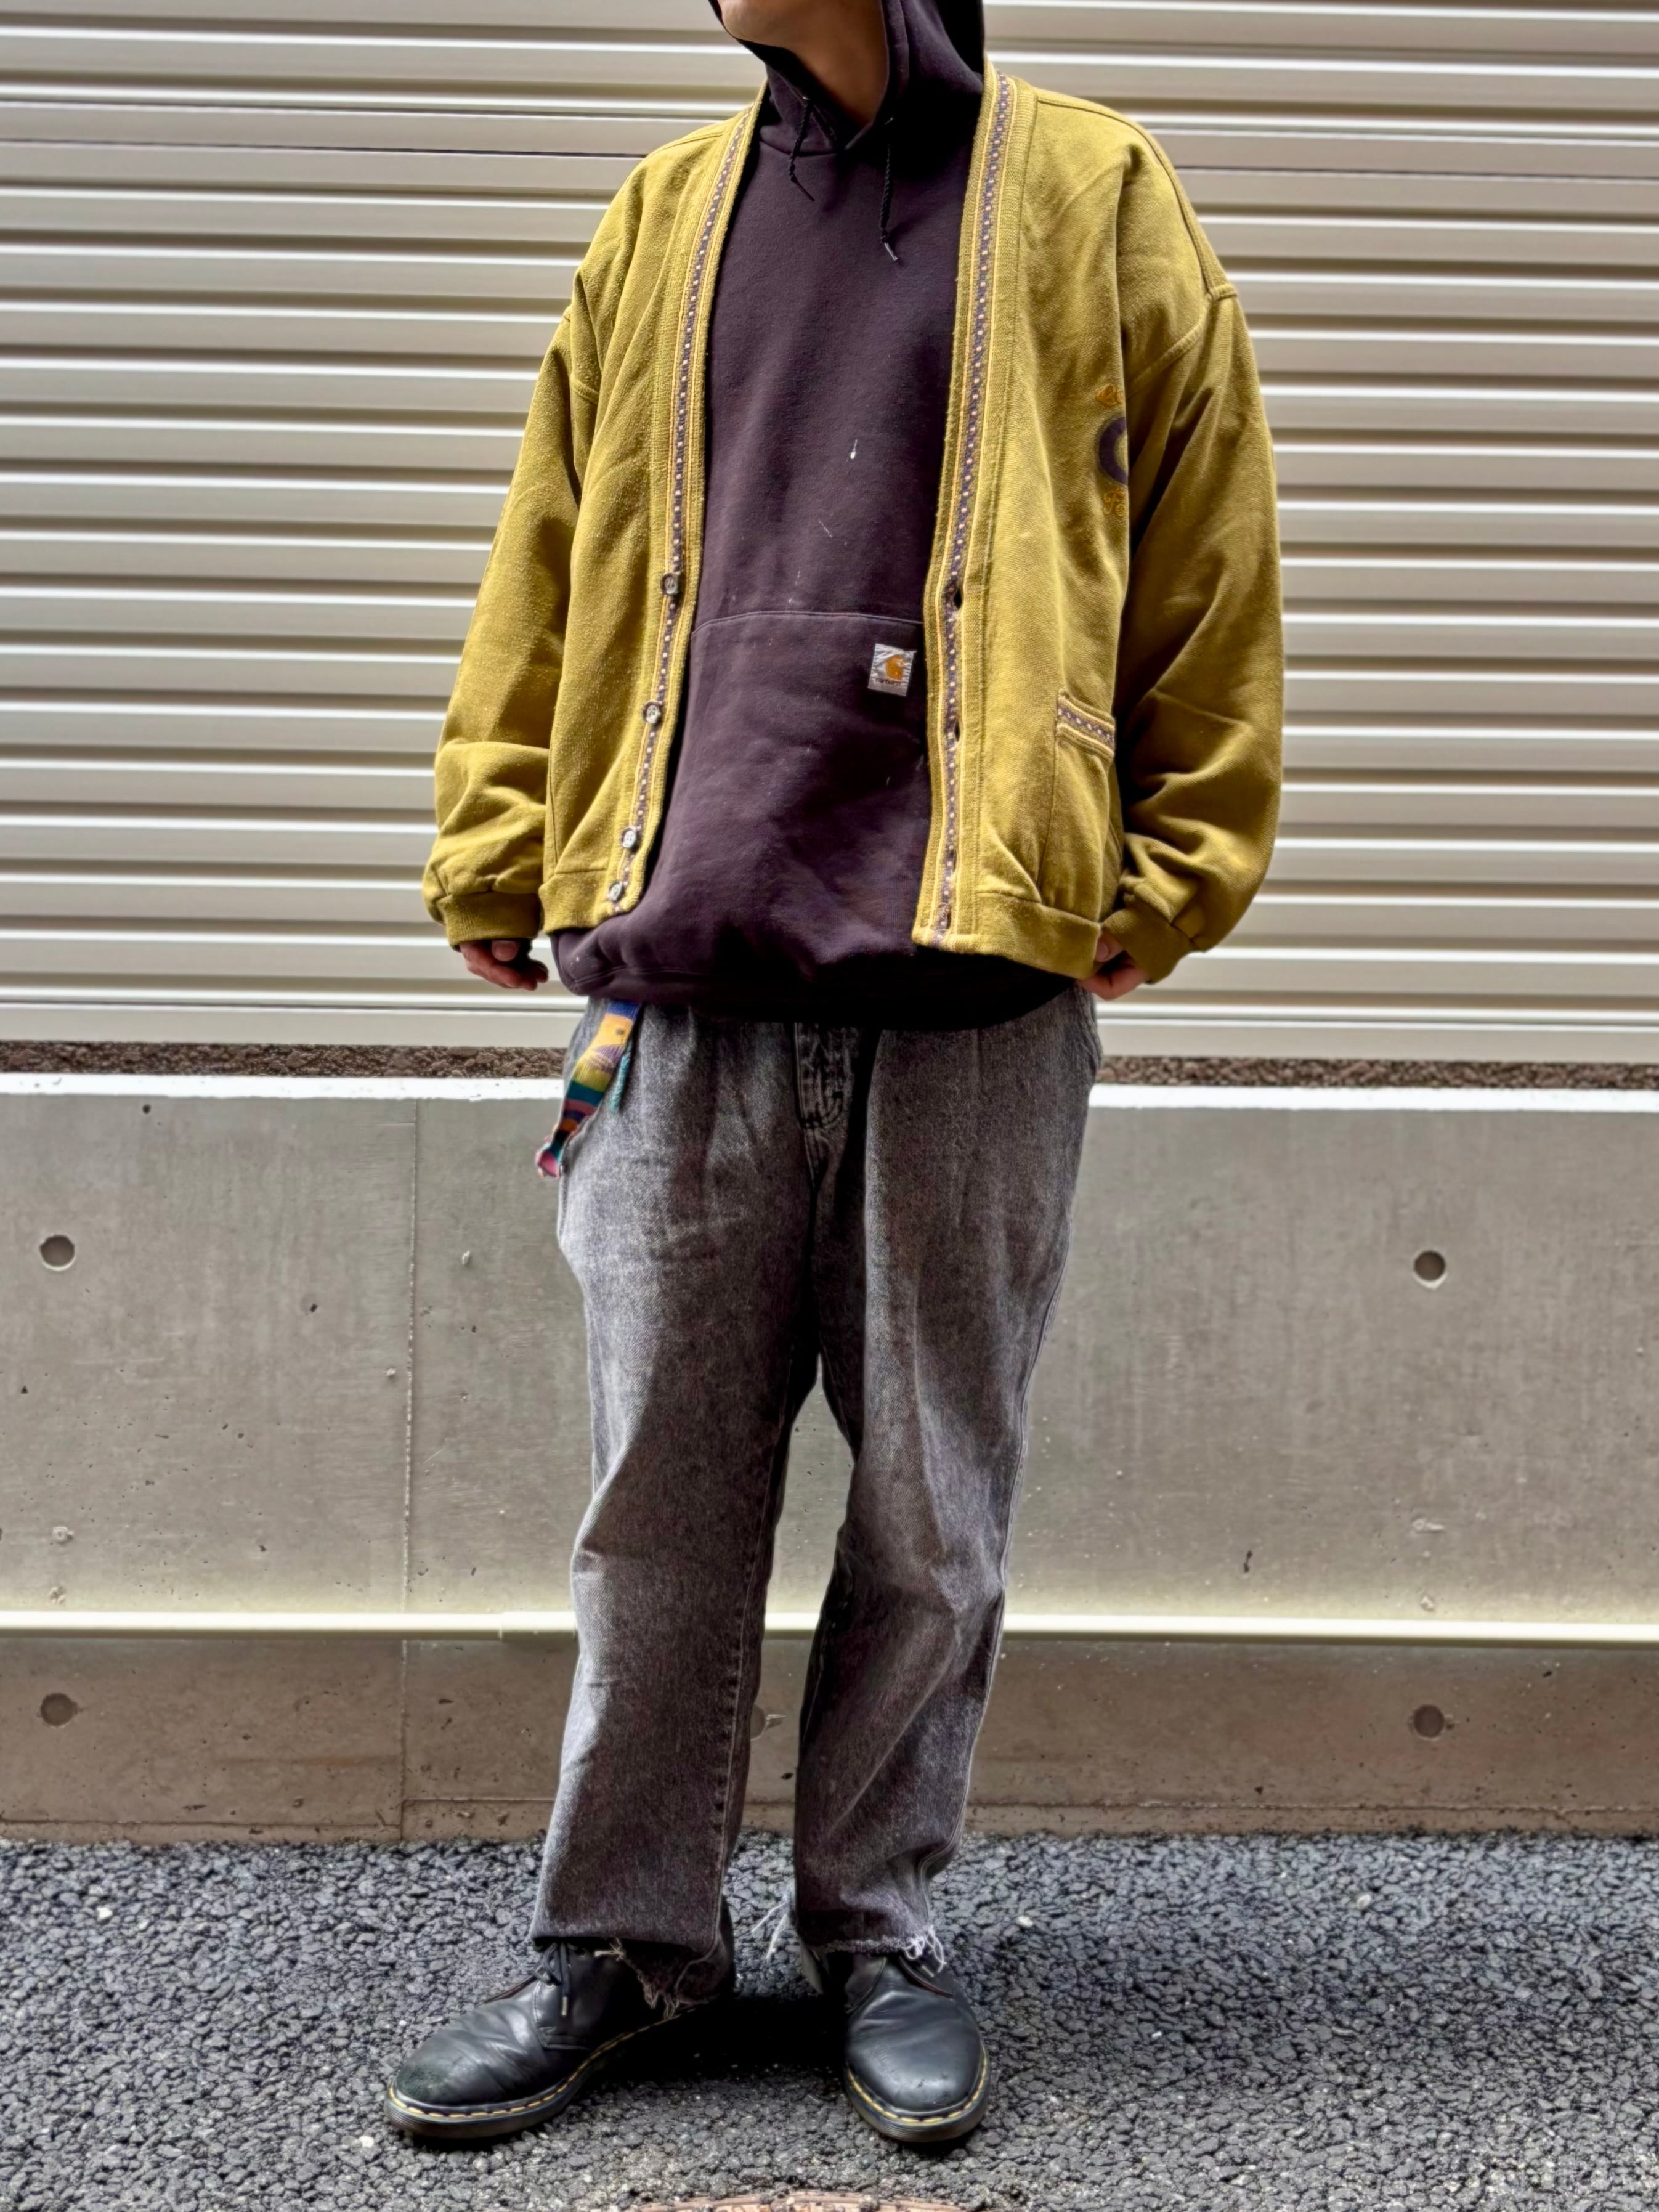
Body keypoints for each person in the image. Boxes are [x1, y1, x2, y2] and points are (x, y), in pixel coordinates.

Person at [388, 0, 1281, 2151]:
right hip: (682, 974)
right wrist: (497, 835)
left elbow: (1205, 538)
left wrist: (1177, 864)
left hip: (973, 985)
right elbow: (550, 540)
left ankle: (877, 1932)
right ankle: (622, 1944)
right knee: (653, 1512)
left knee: (932, 1511)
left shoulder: (1092, 193)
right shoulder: (667, 213)